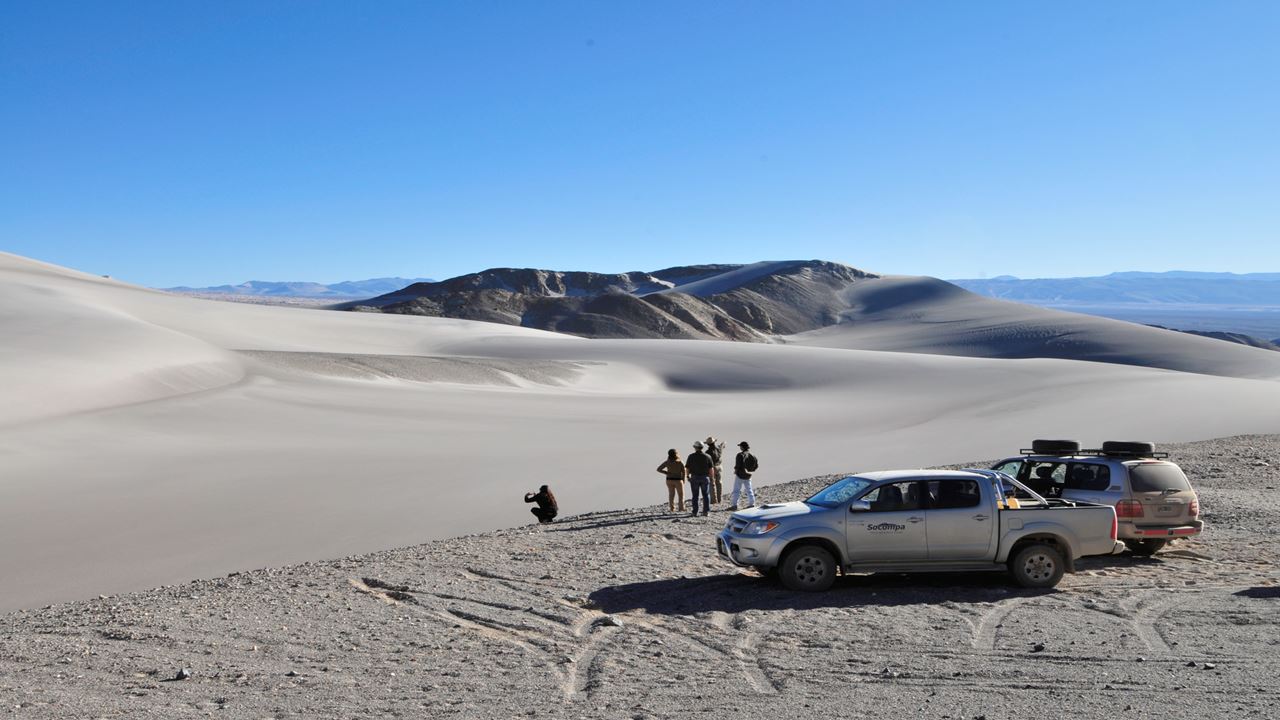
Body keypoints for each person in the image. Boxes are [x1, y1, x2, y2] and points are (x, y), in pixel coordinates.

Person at [685, 440, 713, 517]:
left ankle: (695, 512)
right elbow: (711, 469)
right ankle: (706, 512)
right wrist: (711, 478)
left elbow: (687, 468)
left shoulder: (691, 456)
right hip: (705, 478)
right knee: (706, 495)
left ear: (695, 447)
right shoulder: (708, 456)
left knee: (695, 496)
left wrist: (687, 476)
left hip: (694, 478)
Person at [729, 441, 758, 510]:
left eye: (740, 446)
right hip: (748, 475)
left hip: (740, 475)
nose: (740, 447)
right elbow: (756, 466)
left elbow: (737, 465)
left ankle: (734, 505)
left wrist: (736, 471)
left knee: (736, 490)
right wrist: (751, 471)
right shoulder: (753, 455)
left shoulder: (740, 455)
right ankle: (752, 504)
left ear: (742, 447)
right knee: (749, 490)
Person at [705, 436, 724, 504]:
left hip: (712, 468)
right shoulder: (718, 449)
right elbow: (721, 447)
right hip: (719, 467)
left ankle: (714, 500)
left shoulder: (707, 452)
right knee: (719, 483)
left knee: (712, 484)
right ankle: (719, 499)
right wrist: (722, 444)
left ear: (708, 444)